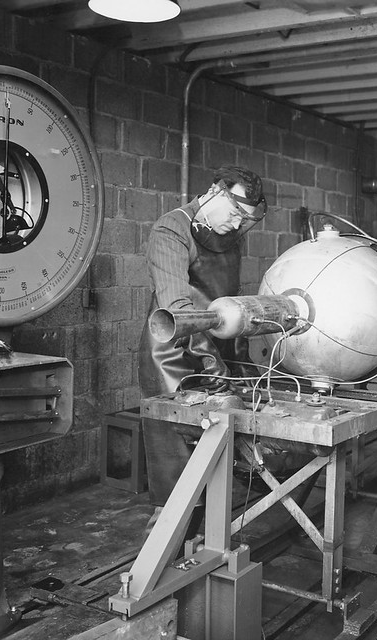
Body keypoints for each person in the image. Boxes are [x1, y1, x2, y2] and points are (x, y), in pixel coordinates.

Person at [138, 165, 267, 535]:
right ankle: (166, 540)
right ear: (213, 191)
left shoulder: (230, 236)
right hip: (174, 353)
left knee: (217, 446)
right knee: (178, 455)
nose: (238, 224)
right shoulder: (171, 230)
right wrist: (215, 370)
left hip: (215, 349)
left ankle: (206, 535)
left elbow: (228, 305)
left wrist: (236, 363)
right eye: (235, 212)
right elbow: (180, 314)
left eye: (246, 219)